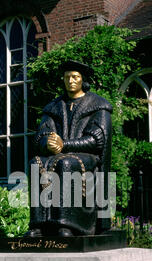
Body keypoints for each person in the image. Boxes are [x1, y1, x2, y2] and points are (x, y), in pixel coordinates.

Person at [26, 60, 112, 237]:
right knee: (35, 163)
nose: (70, 81)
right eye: (67, 77)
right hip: (56, 155)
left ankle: (67, 225)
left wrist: (64, 144)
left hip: (87, 156)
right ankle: (38, 225)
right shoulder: (54, 107)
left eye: (75, 77)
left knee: (66, 163)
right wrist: (47, 143)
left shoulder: (98, 105)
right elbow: (41, 135)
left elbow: (97, 140)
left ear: (83, 80)